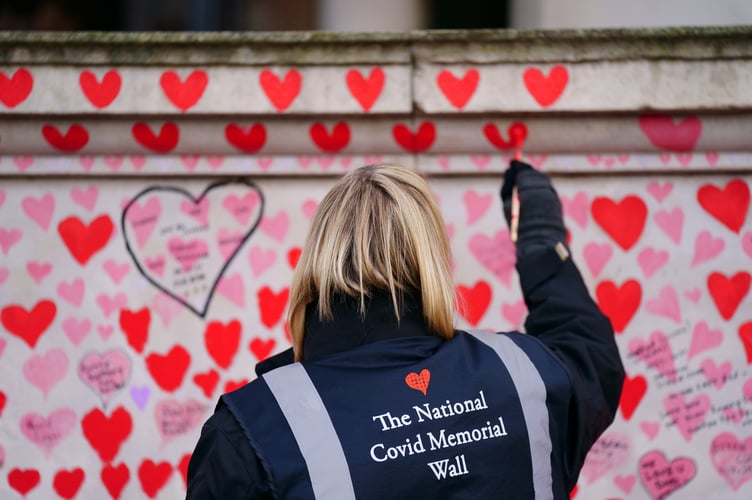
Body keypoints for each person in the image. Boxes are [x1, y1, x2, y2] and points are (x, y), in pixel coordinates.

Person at [186, 161, 625, 499]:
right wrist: (541, 237)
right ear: (432, 257)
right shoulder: (528, 378)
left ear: (316, 261)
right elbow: (591, 353)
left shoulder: (255, 429)